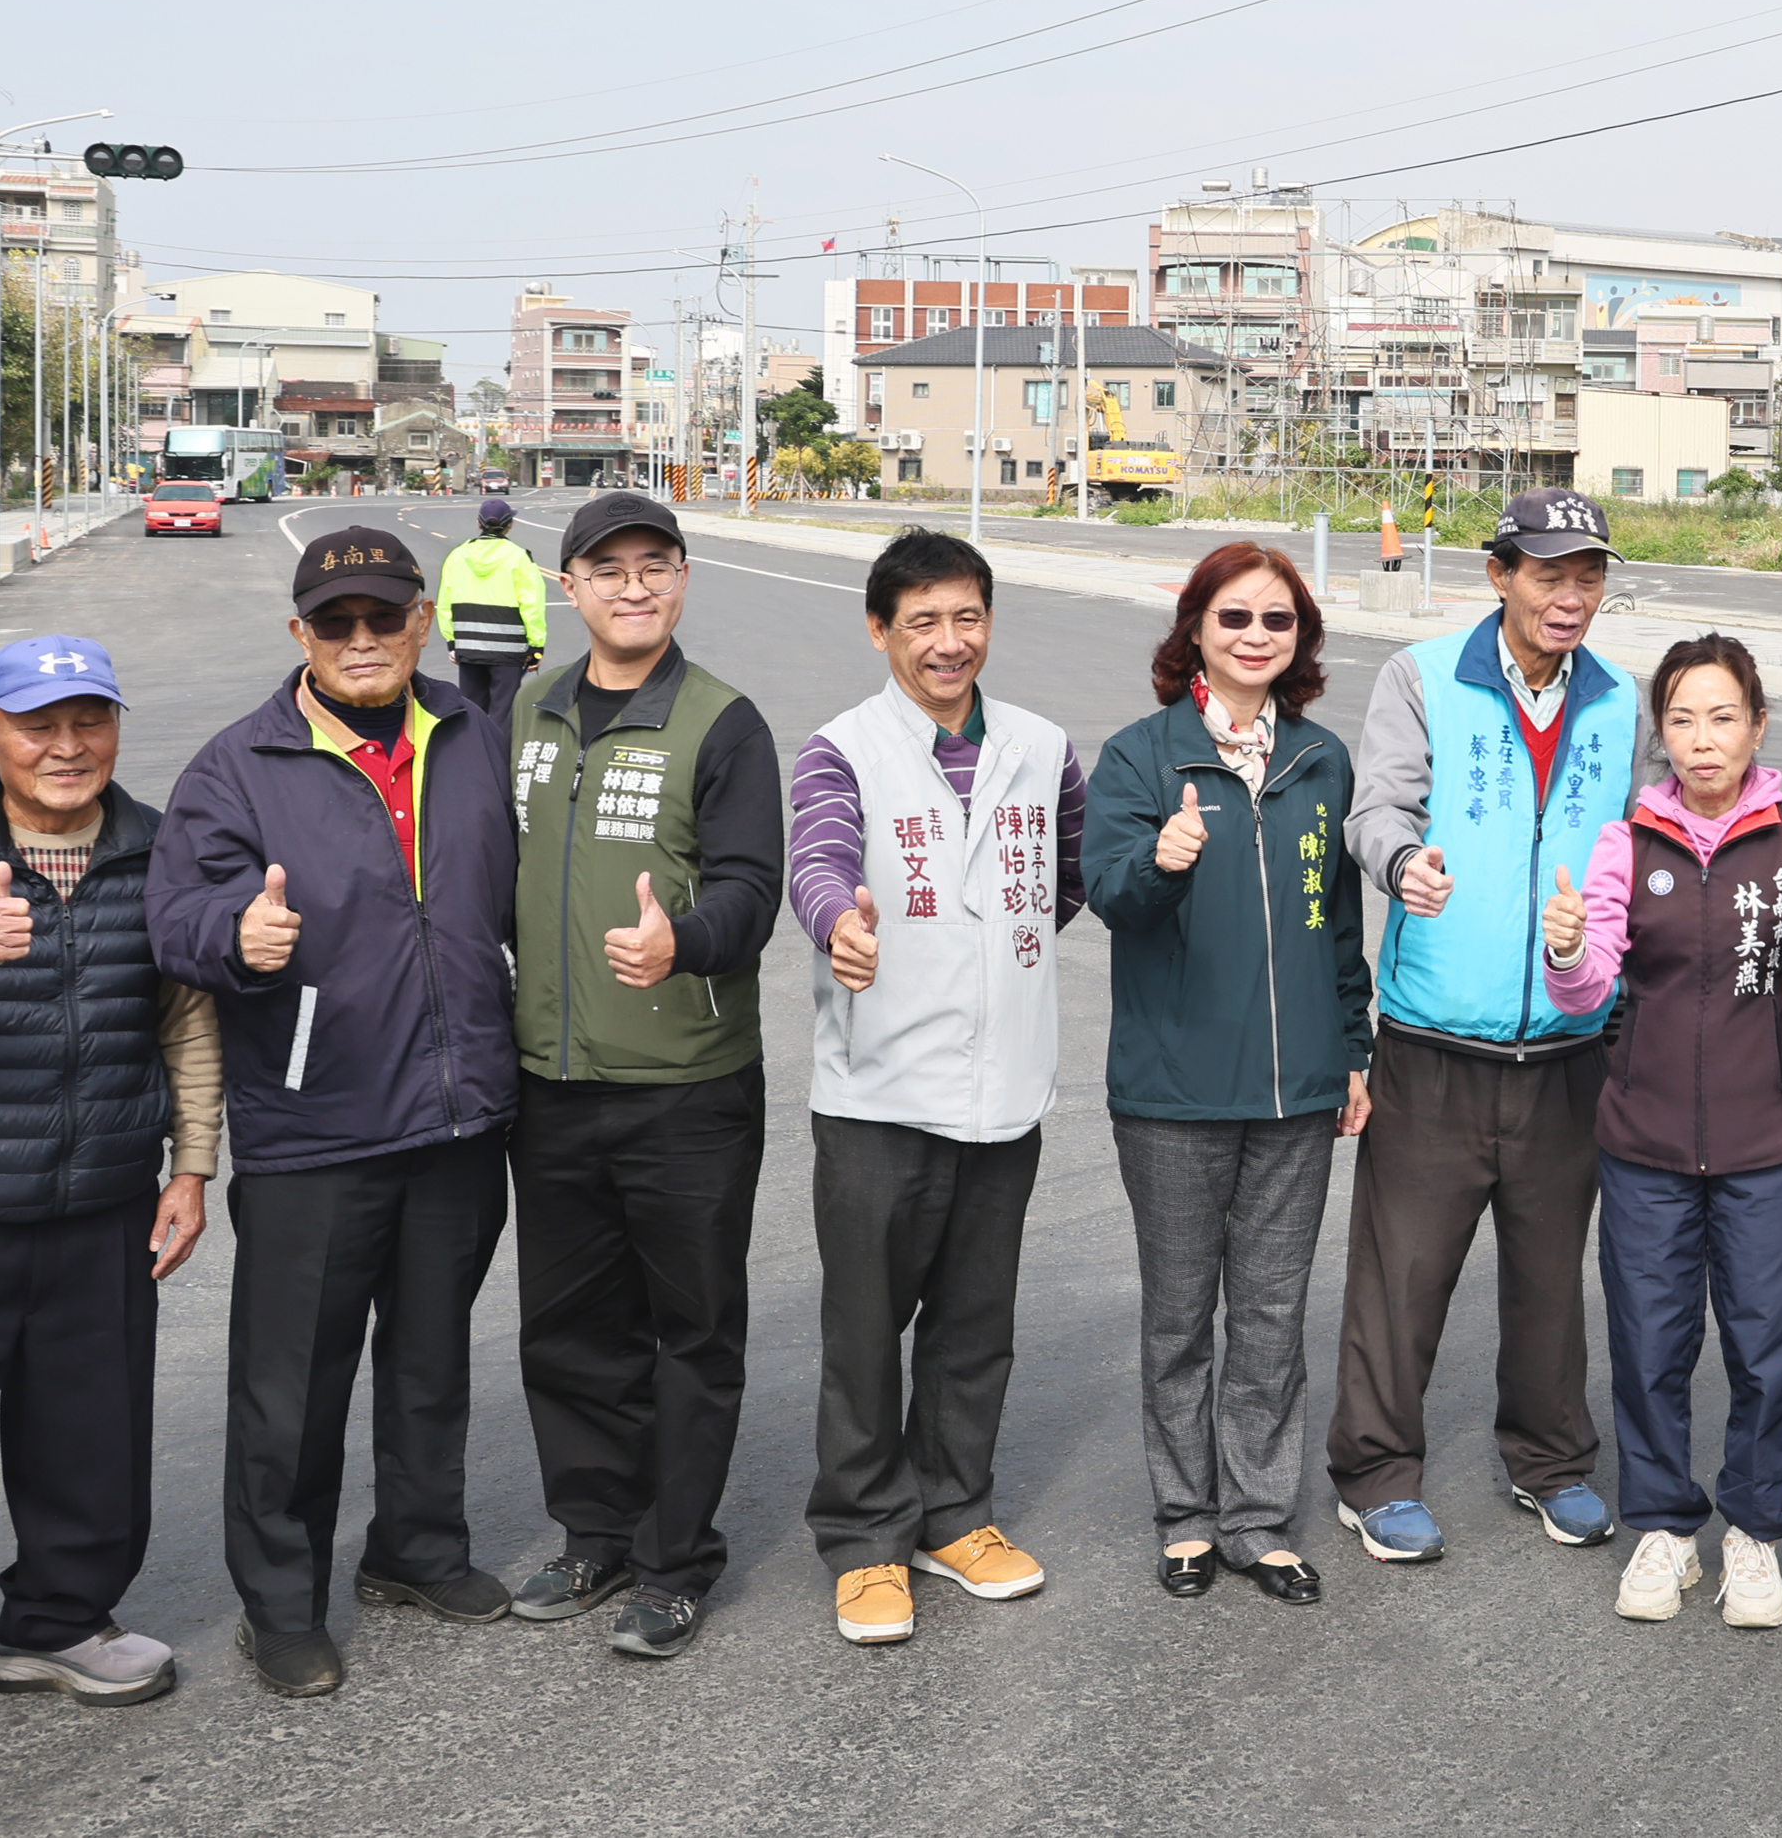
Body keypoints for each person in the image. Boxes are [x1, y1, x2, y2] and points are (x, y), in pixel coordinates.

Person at [147, 525, 523, 1699]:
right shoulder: (238, 764)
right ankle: (281, 1602)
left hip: (459, 1117)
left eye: (383, 617)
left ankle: (416, 1549)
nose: (362, 640)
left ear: (422, 622)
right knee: (290, 1387)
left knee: (430, 1361)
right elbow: (173, 917)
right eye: (336, 621)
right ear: (300, 635)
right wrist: (235, 936)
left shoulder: (470, 733)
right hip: (318, 1130)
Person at [0, 639, 220, 1788]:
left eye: (89, 719)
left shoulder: (160, 846)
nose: (66, 745)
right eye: (37, 722)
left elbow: (185, 1016)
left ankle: (58, 1622)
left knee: (92, 1432)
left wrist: (192, 1166)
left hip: (105, 1199)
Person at [1328, 489, 1640, 1565]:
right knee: (1401, 1274)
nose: (1570, 594)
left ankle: (1550, 1461)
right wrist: (1405, 864)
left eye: (1587, 573)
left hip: (1568, 1045)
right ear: (1498, 573)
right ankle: (1375, 1474)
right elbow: (1377, 811)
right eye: (1548, 572)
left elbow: (1636, 852)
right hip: (1436, 1041)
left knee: (1552, 1279)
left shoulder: (1619, 700)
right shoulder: (1421, 677)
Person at [499, 492, 783, 1662]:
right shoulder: (529, 703)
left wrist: (685, 941)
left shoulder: (724, 721)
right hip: (552, 1078)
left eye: (652, 566)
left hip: (686, 1084)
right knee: (569, 1329)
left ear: (680, 581)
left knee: (690, 1330)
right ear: (568, 586)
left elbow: (751, 889)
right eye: (604, 568)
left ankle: (675, 1559)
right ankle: (595, 1529)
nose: (630, 586)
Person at [787, 529, 1084, 1649]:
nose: (948, 641)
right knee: (866, 1329)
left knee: (974, 1324)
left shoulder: (1045, 748)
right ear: (880, 630)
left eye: (966, 617)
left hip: (1004, 1083)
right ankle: (865, 1539)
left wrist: (984, 963)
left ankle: (955, 1512)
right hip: (879, 1090)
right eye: (923, 621)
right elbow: (817, 857)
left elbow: (1063, 880)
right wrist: (840, 926)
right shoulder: (840, 750)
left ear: (989, 622)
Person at [1080, 544, 1372, 1609]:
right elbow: (1106, 894)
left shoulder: (1321, 760)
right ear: (1195, 629)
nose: (1256, 635)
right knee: (1177, 1318)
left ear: (1300, 641)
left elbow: (1337, 921)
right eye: (1234, 617)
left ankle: (1257, 1520)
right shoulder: (1141, 757)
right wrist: (1159, 862)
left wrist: (1354, 1050)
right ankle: (1186, 1518)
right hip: (1172, 1091)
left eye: (1278, 621)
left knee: (1270, 1317)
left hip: (1297, 1094)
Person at [1538, 634, 1782, 1631]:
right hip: (1646, 1141)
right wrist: (1569, 948)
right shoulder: (1628, 840)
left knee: (1766, 1345)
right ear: (1659, 731)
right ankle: (1663, 1525)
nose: (1702, 740)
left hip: (1771, 1141)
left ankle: (1751, 1530)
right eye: (1682, 719)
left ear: (1756, 723)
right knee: (1650, 1342)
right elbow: (1586, 990)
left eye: (1722, 716)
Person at [435, 497, 546, 721]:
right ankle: (499, 755)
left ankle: (475, 753)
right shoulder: (519, 557)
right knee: (503, 712)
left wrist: (452, 642)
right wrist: (536, 646)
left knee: (471, 710)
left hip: (468, 646)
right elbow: (532, 604)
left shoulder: (457, 555)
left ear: (479, 523)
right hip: (508, 650)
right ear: (510, 525)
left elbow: (445, 603)